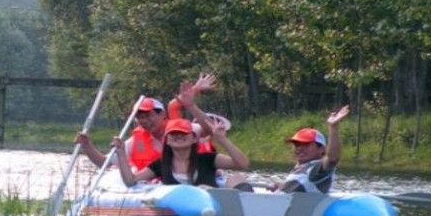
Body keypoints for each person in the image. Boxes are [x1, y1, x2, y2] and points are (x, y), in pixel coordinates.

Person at [75, 73, 220, 171]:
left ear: (162, 114)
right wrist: (87, 146)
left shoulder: (180, 128)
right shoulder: (135, 140)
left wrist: (190, 105)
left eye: (148, 115)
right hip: (154, 187)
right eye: (140, 117)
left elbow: (208, 129)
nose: (144, 121)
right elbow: (105, 163)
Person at [112, 114, 250, 188]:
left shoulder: (208, 158)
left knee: (237, 179)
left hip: (212, 205)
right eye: (174, 134)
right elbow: (131, 180)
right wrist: (121, 154)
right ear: (167, 140)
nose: (178, 137)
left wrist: (222, 140)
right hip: (182, 209)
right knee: (202, 188)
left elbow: (242, 164)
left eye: (183, 133)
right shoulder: (161, 164)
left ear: (194, 138)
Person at [273, 105, 351, 193]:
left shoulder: (316, 168)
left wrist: (333, 127)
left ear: (321, 149)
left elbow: (332, 159)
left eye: (306, 144)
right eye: (297, 144)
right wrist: (283, 187)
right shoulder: (302, 167)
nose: (300, 148)